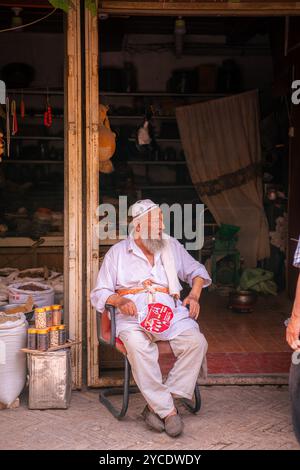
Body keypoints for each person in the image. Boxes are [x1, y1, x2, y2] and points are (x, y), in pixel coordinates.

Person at [91, 199, 211, 437]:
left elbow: (197, 272)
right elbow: (99, 292)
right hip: (133, 318)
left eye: (162, 220)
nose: (162, 226)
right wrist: (119, 301)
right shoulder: (117, 253)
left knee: (197, 343)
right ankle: (168, 412)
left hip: (170, 315)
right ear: (138, 227)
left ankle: (156, 406)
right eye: (156, 221)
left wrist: (195, 295)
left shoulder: (170, 246)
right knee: (137, 346)